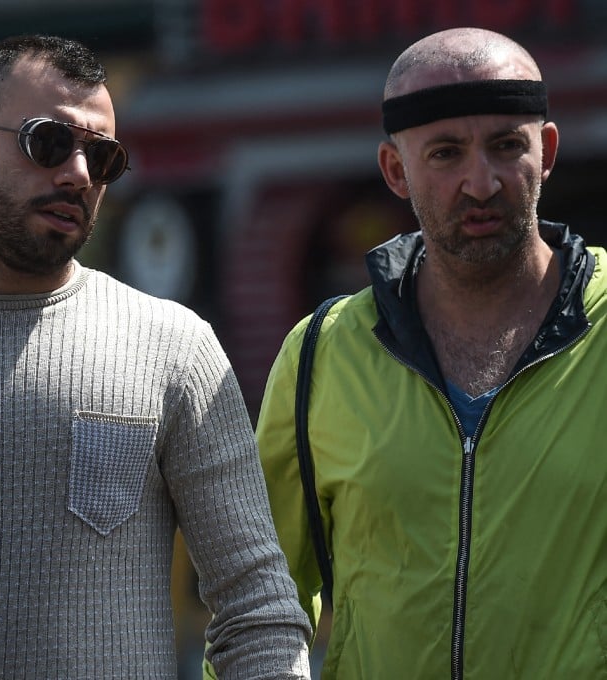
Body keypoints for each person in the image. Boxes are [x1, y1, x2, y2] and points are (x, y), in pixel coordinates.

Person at [0, 34, 312, 679]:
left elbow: (257, 606)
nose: (78, 174)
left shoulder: (172, 345)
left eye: (102, 157)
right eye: (47, 142)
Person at [256, 26, 607, 679]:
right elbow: (259, 599)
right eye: (446, 154)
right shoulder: (320, 355)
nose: (481, 183)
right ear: (396, 170)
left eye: (507, 146)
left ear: (547, 152)